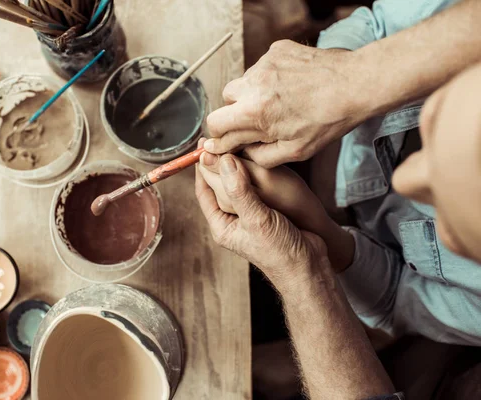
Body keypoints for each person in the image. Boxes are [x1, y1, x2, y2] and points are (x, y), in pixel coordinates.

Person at [200, 0, 481, 347]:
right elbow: (376, 22)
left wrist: (318, 230)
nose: (404, 179)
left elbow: (396, 299)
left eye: (451, 223)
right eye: (438, 123)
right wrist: (339, 76)